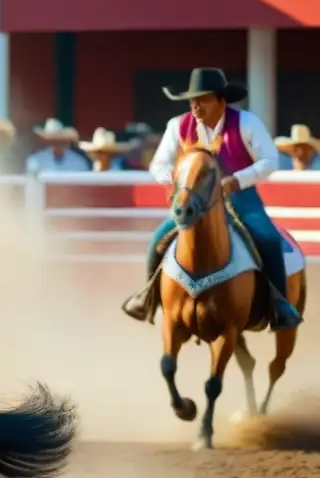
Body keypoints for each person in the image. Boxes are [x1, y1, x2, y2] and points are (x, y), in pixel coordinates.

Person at [121, 67, 302, 330]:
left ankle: (279, 305)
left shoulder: (246, 123)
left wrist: (237, 180)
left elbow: (270, 161)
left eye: (202, 99)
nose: (195, 106)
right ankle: (148, 298)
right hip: (193, 202)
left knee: (268, 239)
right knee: (157, 241)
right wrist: (175, 182)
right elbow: (158, 165)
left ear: (221, 100)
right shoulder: (177, 126)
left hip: (240, 196)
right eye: (192, 100)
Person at [25, 118, 90, 174]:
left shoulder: (78, 161)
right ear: (46, 141)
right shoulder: (35, 160)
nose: (56, 143)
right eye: (52, 140)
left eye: (59, 140)